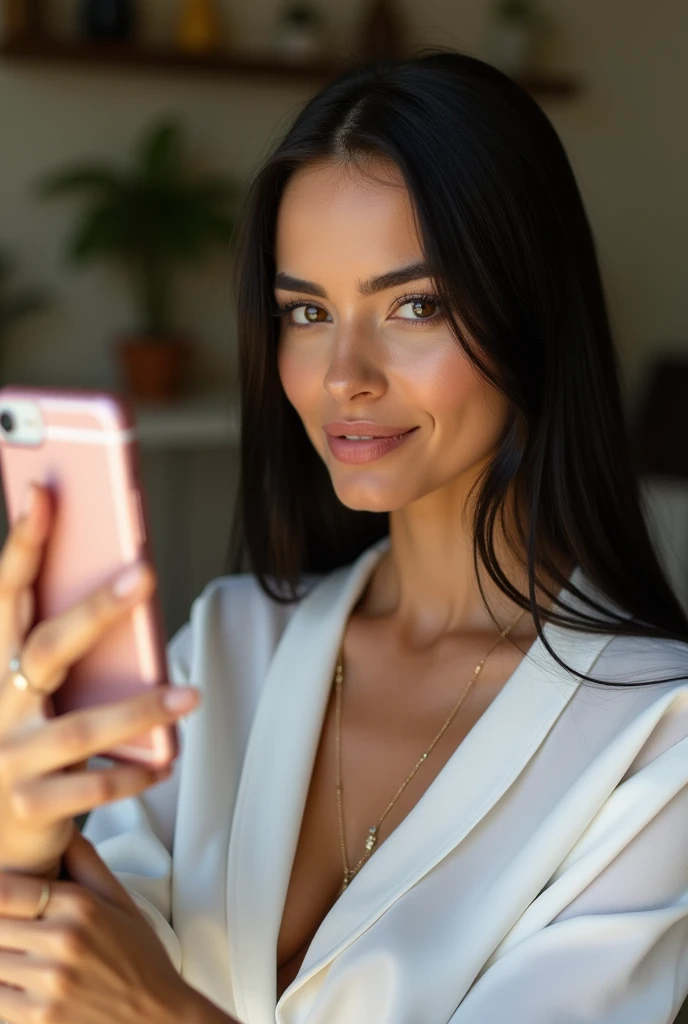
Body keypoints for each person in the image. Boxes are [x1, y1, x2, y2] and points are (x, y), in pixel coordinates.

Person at [0, 49, 687, 1024]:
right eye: (306, 312)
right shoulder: (225, 650)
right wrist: (17, 838)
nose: (343, 375)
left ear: (530, 310)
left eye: (415, 304)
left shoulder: (654, 735)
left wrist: (163, 1014)